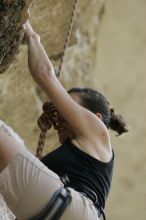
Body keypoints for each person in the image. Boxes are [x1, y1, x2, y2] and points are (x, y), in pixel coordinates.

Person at [0, 21, 128, 220]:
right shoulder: (78, 164)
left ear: (96, 117)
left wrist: (32, 35)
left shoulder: (98, 131)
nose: (60, 113)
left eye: (68, 106)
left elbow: (44, 74)